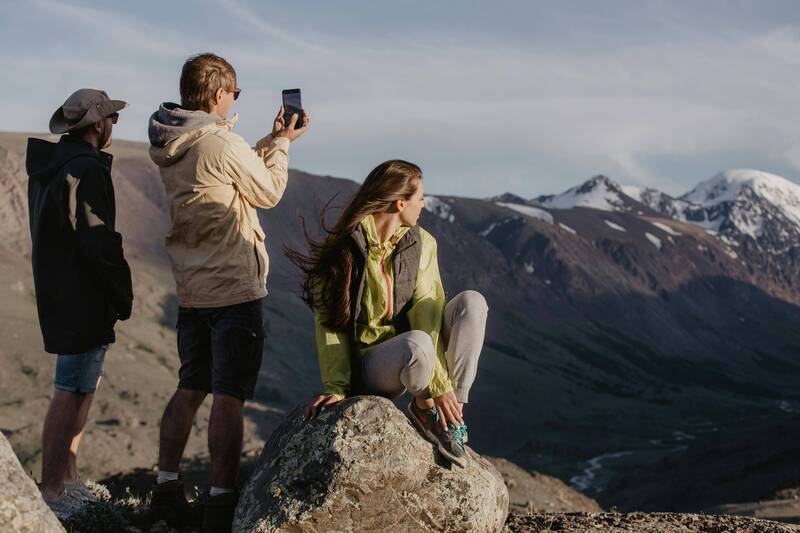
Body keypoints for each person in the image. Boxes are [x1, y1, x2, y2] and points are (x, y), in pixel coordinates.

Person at [147, 52, 308, 532]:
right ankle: (221, 502)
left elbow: (225, 168)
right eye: (235, 93)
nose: (234, 100)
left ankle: (166, 488)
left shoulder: (172, 142)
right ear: (219, 93)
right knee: (228, 395)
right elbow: (267, 191)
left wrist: (271, 138)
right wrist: (282, 145)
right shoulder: (217, 142)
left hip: (193, 287)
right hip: (233, 287)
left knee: (189, 387)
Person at [287, 160, 488, 468]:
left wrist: (443, 387)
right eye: (419, 197)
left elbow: (427, 312)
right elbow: (329, 323)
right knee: (416, 344)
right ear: (399, 202)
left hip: (420, 351)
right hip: (375, 365)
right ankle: (428, 407)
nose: (423, 204)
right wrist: (336, 388)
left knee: (471, 304)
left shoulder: (423, 244)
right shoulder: (346, 248)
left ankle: (448, 419)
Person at [26, 88, 133, 518]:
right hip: (83, 295)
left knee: (81, 385)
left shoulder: (52, 167)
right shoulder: (85, 170)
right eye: (111, 118)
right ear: (97, 124)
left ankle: (67, 478)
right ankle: (53, 490)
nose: (113, 126)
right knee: (70, 391)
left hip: (60, 292)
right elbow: (98, 238)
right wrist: (120, 290)